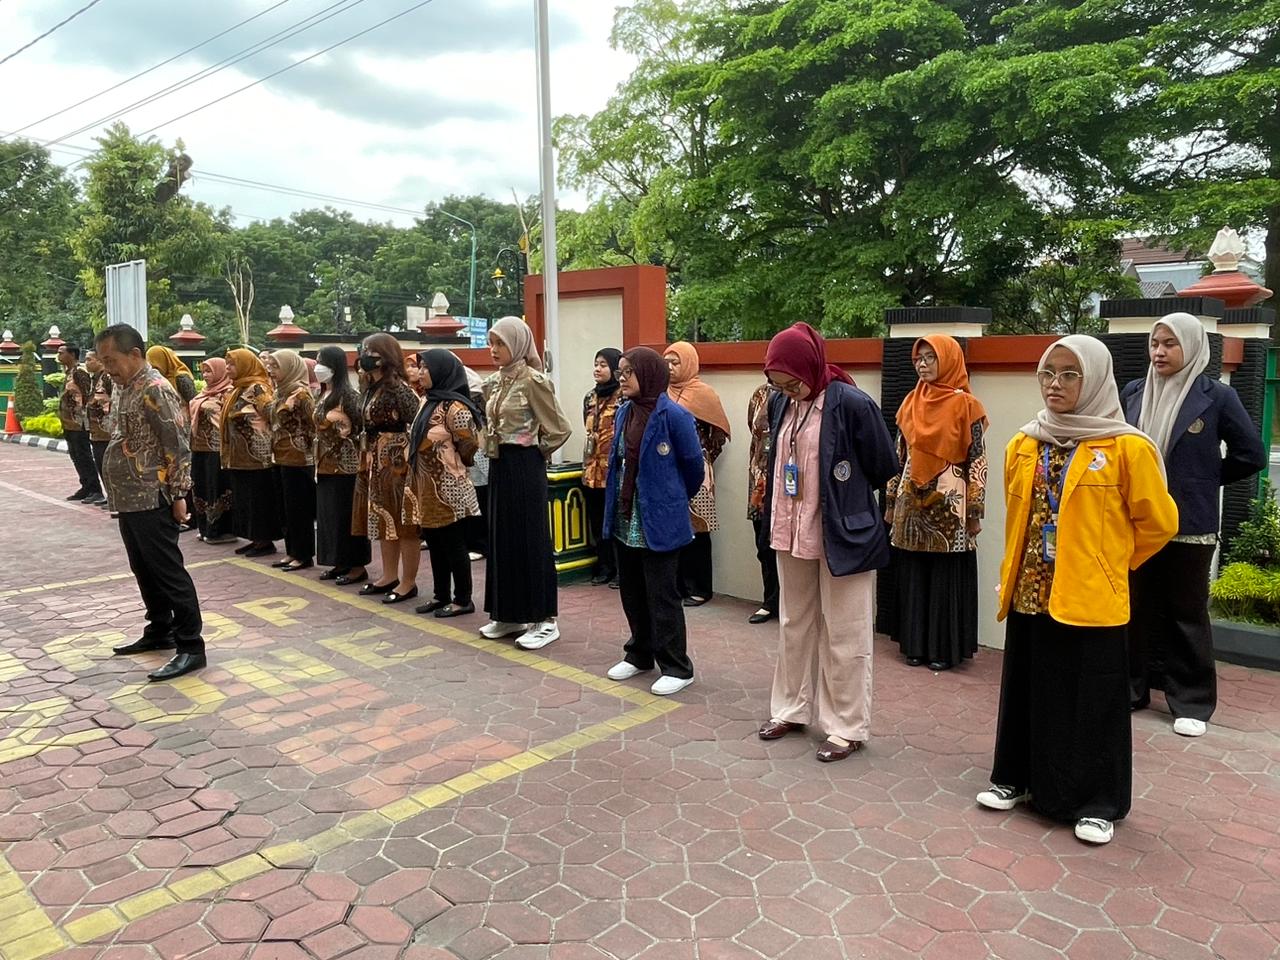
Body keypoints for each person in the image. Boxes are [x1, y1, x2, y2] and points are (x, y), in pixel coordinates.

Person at [978, 335, 1178, 846]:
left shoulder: (1127, 447)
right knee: (1028, 686)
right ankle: (1016, 778)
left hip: (1092, 597)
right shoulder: (1024, 443)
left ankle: (1097, 803)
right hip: (1031, 590)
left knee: (1092, 698)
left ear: (1094, 380)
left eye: (1070, 374)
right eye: (1048, 373)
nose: (1055, 384)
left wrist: (1111, 565)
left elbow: (1159, 523)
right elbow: (1017, 517)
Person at [755, 323, 898, 762]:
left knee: (845, 631)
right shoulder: (781, 403)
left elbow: (883, 464)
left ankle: (846, 727)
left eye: (792, 382)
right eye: (778, 383)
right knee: (793, 623)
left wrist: (844, 497)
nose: (787, 391)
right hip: (790, 529)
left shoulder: (851, 403)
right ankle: (791, 709)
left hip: (843, 534)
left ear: (810, 366)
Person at [1122, 313, 1267, 737]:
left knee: (1185, 613)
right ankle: (1130, 689)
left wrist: (1204, 479)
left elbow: (1251, 454)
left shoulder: (1217, 396)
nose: (1159, 352)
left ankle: (1191, 702)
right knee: (1133, 608)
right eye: (1155, 343)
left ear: (1191, 347)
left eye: (1170, 344)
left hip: (1189, 524)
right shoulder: (1134, 392)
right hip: (1137, 521)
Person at [93, 324, 206, 681]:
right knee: (142, 567)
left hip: (152, 495)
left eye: (111, 360)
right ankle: (160, 629)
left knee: (168, 572)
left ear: (134, 354)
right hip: (128, 496)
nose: (107, 368)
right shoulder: (123, 386)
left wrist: (179, 495)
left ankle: (191, 646)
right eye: (103, 361)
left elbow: (178, 445)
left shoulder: (156, 389)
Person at [602, 347, 704, 695]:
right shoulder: (624, 412)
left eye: (628, 372)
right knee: (631, 589)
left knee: (662, 594)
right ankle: (639, 653)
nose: (622, 378)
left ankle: (676, 666)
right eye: (620, 371)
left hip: (659, 518)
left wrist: (670, 499)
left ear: (647, 374)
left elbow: (693, 468)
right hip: (625, 516)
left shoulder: (674, 415)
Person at [886, 336, 988, 670]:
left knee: (946, 576)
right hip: (911, 500)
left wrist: (975, 510)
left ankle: (943, 648)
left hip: (950, 505)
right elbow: (898, 456)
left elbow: (977, 460)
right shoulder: (910, 402)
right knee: (914, 573)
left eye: (931, 357)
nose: (923, 364)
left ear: (949, 360)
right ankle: (915, 644)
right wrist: (890, 501)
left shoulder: (967, 405)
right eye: (919, 358)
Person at [480, 316, 572, 649]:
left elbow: (559, 428)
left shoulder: (534, 381)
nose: (494, 350)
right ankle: (509, 613)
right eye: (492, 343)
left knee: (530, 539)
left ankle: (544, 619)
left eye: (501, 343)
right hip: (499, 464)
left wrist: (534, 451)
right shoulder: (493, 383)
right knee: (502, 538)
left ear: (517, 344)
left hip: (525, 465)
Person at [406, 349, 485, 618]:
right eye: (420, 367)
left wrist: (451, 463)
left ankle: (463, 599)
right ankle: (441, 596)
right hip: (425, 486)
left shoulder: (455, 408)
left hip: (449, 487)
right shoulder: (427, 401)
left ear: (442, 371)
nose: (421, 372)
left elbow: (469, 445)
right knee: (435, 543)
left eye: (426, 367)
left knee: (453, 544)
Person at [354, 333, 422, 603]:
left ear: (386, 356)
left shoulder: (399, 389)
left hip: (397, 461)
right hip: (375, 458)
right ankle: (389, 575)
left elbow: (416, 423)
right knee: (383, 517)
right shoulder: (370, 386)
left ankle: (408, 582)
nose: (365, 356)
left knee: (404, 521)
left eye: (371, 352)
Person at [664, 341, 731, 606]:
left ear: (689, 363)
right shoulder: (661, 393)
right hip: (668, 469)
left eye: (675, 362)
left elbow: (718, 436)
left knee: (699, 528)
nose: (669, 367)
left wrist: (700, 455)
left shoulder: (704, 394)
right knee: (674, 526)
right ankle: (678, 586)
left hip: (698, 470)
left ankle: (700, 588)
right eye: (666, 362)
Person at [313, 346, 371, 584]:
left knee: (347, 516)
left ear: (335, 366)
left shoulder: (349, 396)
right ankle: (338, 562)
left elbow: (361, 428)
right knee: (329, 517)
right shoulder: (322, 394)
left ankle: (356, 566)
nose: (318, 367)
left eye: (322, 362)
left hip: (346, 466)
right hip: (324, 464)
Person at [221, 349, 280, 557]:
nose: (228, 368)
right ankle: (255, 538)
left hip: (257, 456)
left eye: (232, 364)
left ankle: (264, 541)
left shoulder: (257, 388)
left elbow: (272, 413)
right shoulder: (238, 389)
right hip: (239, 457)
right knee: (245, 499)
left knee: (258, 500)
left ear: (245, 365)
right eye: (227, 364)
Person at [268, 350, 318, 572]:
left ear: (290, 367)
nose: (271, 371)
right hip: (279, 456)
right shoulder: (280, 391)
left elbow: (313, 424)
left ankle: (303, 554)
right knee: (285, 509)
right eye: (270, 366)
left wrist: (308, 451)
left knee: (299, 510)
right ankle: (291, 551)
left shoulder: (301, 394)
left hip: (298, 459)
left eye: (276, 366)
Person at [583, 348, 623, 586]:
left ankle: (621, 571)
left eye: (603, 365)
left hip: (614, 472)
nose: (597, 369)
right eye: (596, 364)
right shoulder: (590, 397)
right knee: (597, 522)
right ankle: (604, 566)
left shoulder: (623, 397)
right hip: (592, 471)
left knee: (617, 522)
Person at [188, 359, 236, 543]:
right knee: (201, 487)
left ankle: (220, 530)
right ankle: (205, 527)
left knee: (217, 487)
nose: (205, 375)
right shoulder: (204, 393)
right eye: (204, 371)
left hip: (217, 448)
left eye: (209, 371)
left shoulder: (228, 393)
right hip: (199, 447)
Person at [745, 381, 778, 624]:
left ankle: (795, 604)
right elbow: (754, 430)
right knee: (764, 546)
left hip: (791, 482)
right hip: (760, 483)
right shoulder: (760, 394)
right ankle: (770, 602)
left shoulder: (803, 393)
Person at [57, 343, 104, 505]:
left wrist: (85, 417)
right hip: (69, 423)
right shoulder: (69, 373)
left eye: (61, 353)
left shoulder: (79, 372)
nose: (58, 356)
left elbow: (87, 394)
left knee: (84, 456)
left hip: (80, 423)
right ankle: (86, 486)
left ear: (72, 355)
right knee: (76, 456)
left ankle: (95, 489)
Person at [463, 367, 489, 562]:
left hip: (479, 452)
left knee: (481, 497)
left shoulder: (475, 399)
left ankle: (481, 544)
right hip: (471, 454)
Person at [85, 350, 114, 510]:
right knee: (101, 464)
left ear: (99, 361)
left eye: (89, 359)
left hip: (107, 431)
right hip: (96, 430)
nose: (86, 363)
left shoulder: (108, 378)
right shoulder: (94, 378)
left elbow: (114, 399)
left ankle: (114, 498)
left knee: (108, 466)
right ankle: (109, 496)